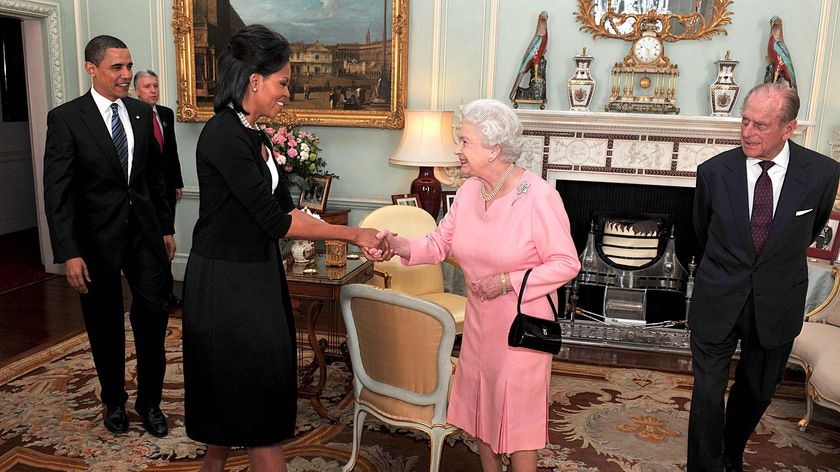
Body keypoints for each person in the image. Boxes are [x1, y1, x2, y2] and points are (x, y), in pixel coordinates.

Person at [181, 25, 386, 472]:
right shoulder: (223, 135)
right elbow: (276, 221)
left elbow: (285, 208)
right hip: (226, 283)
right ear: (254, 80)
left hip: (254, 274)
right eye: (283, 83)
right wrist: (353, 234)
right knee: (255, 407)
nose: (287, 93)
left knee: (240, 395)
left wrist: (339, 230)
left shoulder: (253, 134)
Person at [370, 99, 580, 472]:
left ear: (494, 148)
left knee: (517, 422)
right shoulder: (469, 192)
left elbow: (566, 263)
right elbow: (438, 244)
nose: (457, 149)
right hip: (480, 324)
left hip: (521, 326)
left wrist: (506, 281)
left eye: (464, 141)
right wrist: (396, 244)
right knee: (482, 409)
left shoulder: (538, 197)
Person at [688, 83, 840, 472]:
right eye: (744, 121)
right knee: (707, 391)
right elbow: (701, 232)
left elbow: (810, 229)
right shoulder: (714, 172)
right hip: (719, 295)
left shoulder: (823, 174)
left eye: (761, 125)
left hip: (776, 301)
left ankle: (731, 453)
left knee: (757, 391)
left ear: (788, 129)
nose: (747, 132)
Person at [43, 35, 174, 437]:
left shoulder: (140, 112)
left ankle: (150, 403)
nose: (126, 74)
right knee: (104, 324)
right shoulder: (66, 118)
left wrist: (166, 227)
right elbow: (58, 192)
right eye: (117, 67)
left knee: (153, 316)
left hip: (146, 238)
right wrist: (69, 252)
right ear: (92, 68)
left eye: (129, 66)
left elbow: (156, 177)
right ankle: (114, 401)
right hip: (95, 243)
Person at [134, 69, 185, 308]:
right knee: (151, 243)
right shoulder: (132, 116)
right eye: (147, 86)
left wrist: (177, 182)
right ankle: (154, 292)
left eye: (155, 86)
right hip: (144, 193)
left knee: (168, 239)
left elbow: (171, 151)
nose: (153, 90)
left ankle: (167, 291)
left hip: (166, 189)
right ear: (136, 90)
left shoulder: (165, 113)